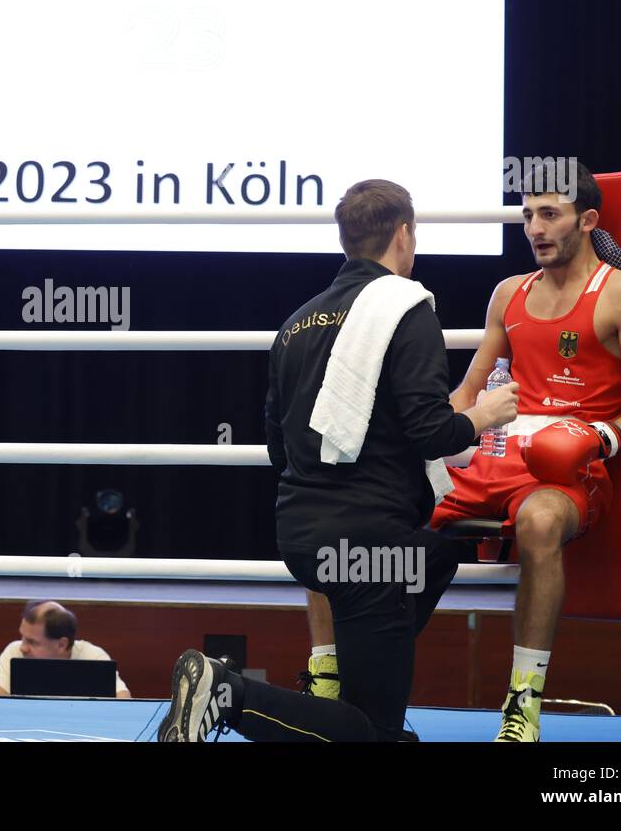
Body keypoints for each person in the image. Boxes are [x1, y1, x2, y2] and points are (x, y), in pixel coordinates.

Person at [302, 162, 621, 741]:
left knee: (541, 519)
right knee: (344, 501)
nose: (535, 228)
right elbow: (468, 392)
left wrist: (594, 437)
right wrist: (403, 442)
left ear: (588, 219)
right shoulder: (509, 294)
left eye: (550, 214)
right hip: (494, 459)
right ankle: (327, 675)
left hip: (571, 468)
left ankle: (522, 704)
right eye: (528, 215)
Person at [159, 179, 518, 742]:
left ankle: (356, 683)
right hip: (367, 552)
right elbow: (431, 432)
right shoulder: (406, 308)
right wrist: (487, 413)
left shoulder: (296, 324)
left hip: (305, 537)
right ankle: (223, 691)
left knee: (441, 550)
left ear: (346, 239)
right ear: (404, 234)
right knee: (373, 733)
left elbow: (279, 445)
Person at [0, 600, 131, 698]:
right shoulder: (15, 652)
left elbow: (124, 701)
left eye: (32, 642)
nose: (23, 648)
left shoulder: (94, 657)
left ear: (62, 645)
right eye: (22, 637)